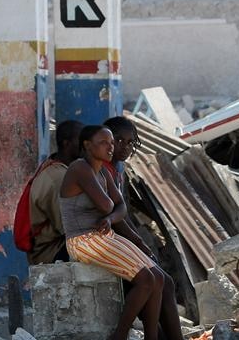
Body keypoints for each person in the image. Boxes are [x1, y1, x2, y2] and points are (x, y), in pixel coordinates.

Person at [60, 125, 164, 340]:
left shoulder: (103, 171)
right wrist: (110, 212)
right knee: (145, 280)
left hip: (102, 235)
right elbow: (108, 204)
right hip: (82, 240)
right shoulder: (80, 168)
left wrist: (109, 218)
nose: (111, 147)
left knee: (158, 277)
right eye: (103, 143)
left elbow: (121, 208)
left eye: (111, 143)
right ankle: (119, 335)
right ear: (87, 146)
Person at [104, 116, 183, 340]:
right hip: (102, 242)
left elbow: (122, 213)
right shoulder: (101, 170)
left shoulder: (117, 169)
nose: (124, 147)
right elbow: (114, 217)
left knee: (164, 281)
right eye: (118, 140)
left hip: (118, 240)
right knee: (158, 281)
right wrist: (138, 243)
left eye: (130, 142)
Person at [27, 120, 84, 265]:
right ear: (66, 143)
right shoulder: (59, 179)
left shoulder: (59, 168)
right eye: (81, 140)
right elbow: (70, 228)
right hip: (51, 252)